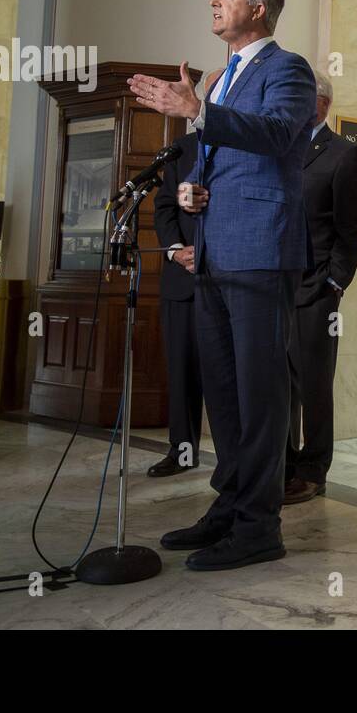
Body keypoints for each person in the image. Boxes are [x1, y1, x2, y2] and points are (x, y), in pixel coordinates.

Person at [128, 0, 315, 572]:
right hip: (211, 252)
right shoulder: (224, 77)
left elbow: (281, 134)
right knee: (226, 394)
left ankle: (260, 526)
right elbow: (223, 160)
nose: (214, 0)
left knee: (261, 394)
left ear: (258, 8)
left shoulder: (287, 68)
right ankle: (230, 505)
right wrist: (193, 191)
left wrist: (199, 111)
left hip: (261, 251)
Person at [283, 70, 357, 504]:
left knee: (314, 385)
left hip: (316, 288)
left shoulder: (343, 155)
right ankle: (282, 466)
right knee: (280, 385)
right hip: (274, 286)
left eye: (300, 96)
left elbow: (352, 229)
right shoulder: (281, 148)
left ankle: (313, 471)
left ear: (321, 103)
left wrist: (334, 282)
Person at [148, 130, 203, 478]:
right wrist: (174, 251)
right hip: (182, 279)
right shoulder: (181, 148)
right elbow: (164, 206)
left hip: (230, 280)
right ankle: (182, 451)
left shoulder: (249, 138)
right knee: (181, 371)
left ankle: (239, 461)